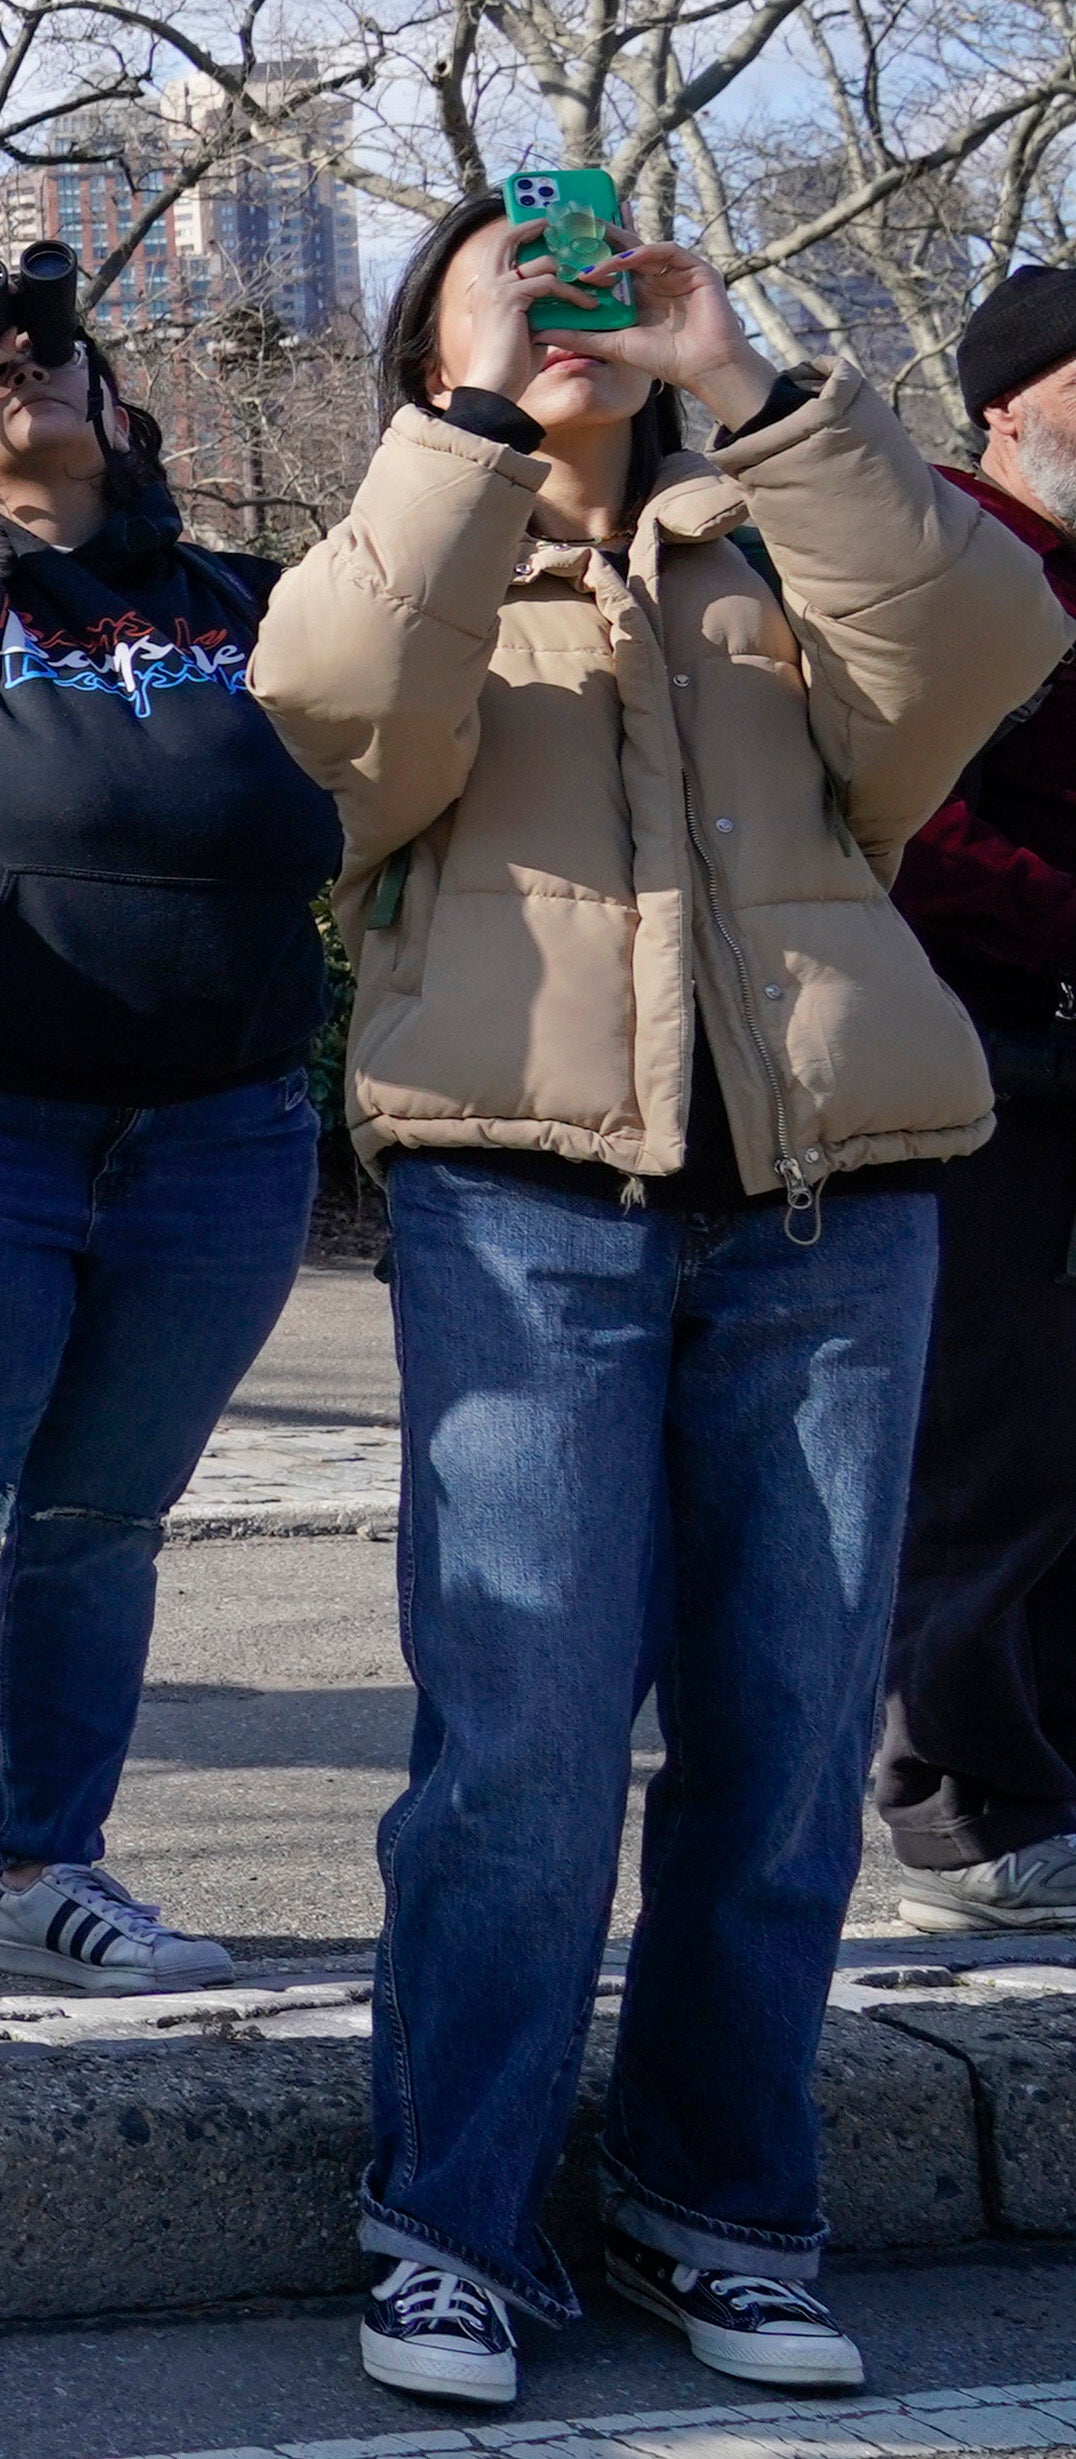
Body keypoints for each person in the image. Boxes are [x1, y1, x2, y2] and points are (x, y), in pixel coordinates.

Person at [266, 196, 1062, 2412]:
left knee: (787, 1752)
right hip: (522, 1208)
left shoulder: (772, 540)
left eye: (604, 275)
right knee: (515, 1755)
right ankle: (450, 2218)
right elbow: (333, 715)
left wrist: (749, 379)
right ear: (426, 338)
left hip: (828, 1205)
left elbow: (979, 640)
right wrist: (464, 419)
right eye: (514, 281)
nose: (571, 306)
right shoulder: (405, 557)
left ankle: (713, 2203)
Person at [0, 292, 338, 2007]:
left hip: (223, 1138)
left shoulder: (247, 603)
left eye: (53, 359)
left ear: (124, 401)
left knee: (103, 1519)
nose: (23, 382)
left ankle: (53, 1875)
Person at [881, 264, 1076, 1929]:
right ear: (1012, 402)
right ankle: (963, 1810)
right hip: (982, 1049)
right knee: (985, 1450)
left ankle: (1048, 1784)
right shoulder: (943, 550)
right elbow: (908, 812)